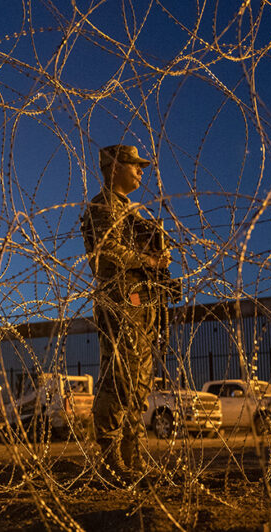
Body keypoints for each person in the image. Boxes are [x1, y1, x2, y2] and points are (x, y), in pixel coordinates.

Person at [80, 144, 173, 483]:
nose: (141, 171)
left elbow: (139, 249)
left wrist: (159, 259)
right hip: (119, 302)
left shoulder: (132, 213)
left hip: (142, 303)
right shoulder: (101, 208)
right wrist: (147, 260)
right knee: (118, 380)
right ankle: (109, 459)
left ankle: (133, 458)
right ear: (115, 166)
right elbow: (107, 254)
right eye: (135, 165)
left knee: (139, 384)